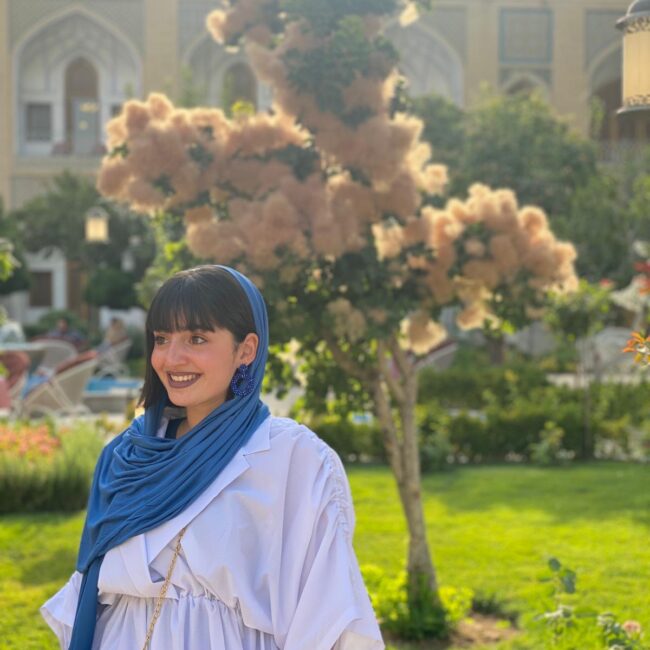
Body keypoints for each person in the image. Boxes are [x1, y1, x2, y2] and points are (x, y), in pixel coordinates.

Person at [40, 265, 384, 650]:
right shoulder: (126, 455)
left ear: (246, 350)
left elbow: (327, 617)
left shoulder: (294, 459)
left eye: (197, 338)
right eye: (162, 338)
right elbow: (91, 599)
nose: (172, 358)